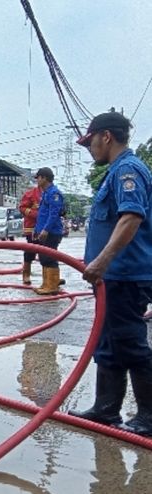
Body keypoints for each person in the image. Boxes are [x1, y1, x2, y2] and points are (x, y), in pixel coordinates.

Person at [69, 112, 152, 437]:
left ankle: (148, 417)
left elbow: (131, 218)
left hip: (124, 276)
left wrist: (101, 262)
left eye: (90, 141)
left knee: (130, 344)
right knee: (109, 342)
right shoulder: (116, 171)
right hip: (111, 279)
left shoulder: (127, 170)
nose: (89, 148)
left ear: (106, 136)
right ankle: (106, 409)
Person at [32, 167, 65, 295]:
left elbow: (54, 214)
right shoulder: (45, 193)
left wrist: (46, 229)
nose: (37, 181)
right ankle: (46, 283)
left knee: (49, 258)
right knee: (43, 258)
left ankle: (52, 286)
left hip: (52, 232)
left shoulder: (54, 193)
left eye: (38, 178)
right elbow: (42, 214)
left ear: (44, 178)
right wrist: (37, 229)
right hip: (43, 230)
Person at [19, 182, 42, 284]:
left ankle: (50, 278)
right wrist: (35, 214)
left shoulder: (51, 193)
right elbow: (22, 208)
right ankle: (26, 274)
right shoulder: (30, 194)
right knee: (30, 251)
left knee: (49, 254)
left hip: (46, 228)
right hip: (32, 228)